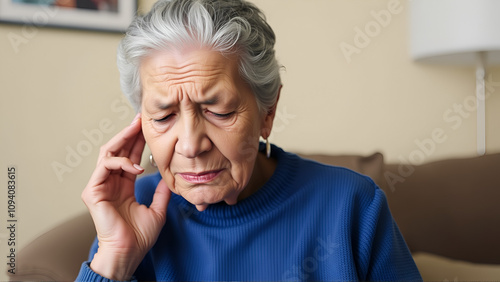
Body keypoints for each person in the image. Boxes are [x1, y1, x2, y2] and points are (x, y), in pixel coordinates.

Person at [77, 0, 422, 281]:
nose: (190, 145)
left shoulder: (351, 206)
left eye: (219, 112)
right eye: (164, 117)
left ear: (267, 114)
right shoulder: (134, 208)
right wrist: (114, 259)